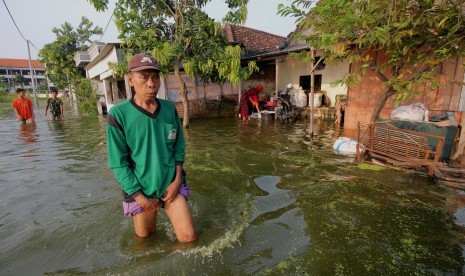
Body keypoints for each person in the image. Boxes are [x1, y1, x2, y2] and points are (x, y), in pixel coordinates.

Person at [106, 53, 196, 242]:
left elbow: (179, 147)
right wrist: (140, 198)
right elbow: (119, 163)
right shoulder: (118, 114)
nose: (151, 83)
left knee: (189, 237)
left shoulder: (169, 109)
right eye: (144, 77)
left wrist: (177, 179)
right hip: (141, 189)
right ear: (131, 80)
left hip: (170, 183)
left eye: (155, 77)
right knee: (145, 241)